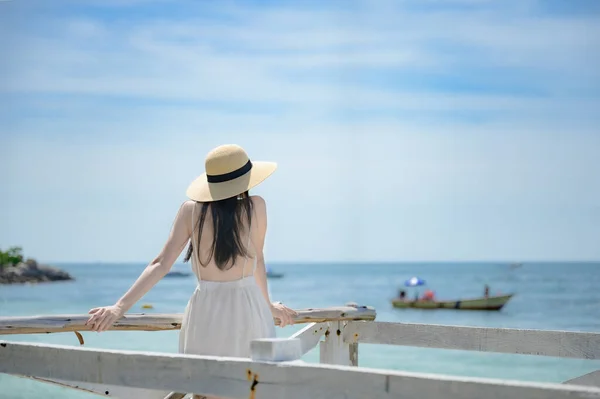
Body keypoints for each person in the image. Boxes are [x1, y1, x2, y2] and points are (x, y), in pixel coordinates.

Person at [86, 144, 297, 399]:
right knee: (250, 387)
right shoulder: (257, 206)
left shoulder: (191, 210)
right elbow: (257, 261)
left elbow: (161, 264)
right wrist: (268, 305)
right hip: (248, 307)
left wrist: (119, 307)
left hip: (205, 310)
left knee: (205, 388)